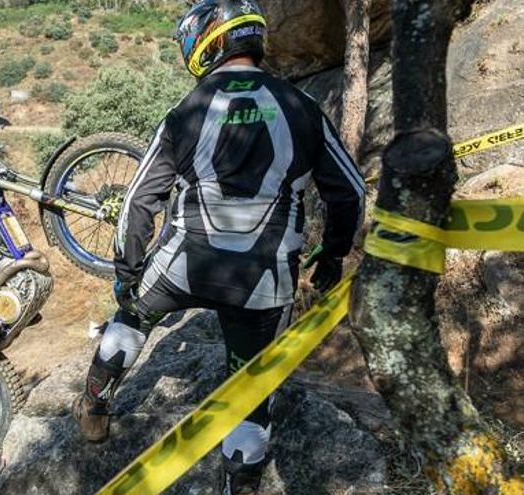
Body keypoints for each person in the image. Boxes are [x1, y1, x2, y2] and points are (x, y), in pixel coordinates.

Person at [70, 1, 365, 493]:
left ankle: (96, 406)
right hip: (264, 281)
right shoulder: (302, 107)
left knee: (132, 314)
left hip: (183, 265)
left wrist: (126, 272)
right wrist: (332, 256)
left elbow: (139, 202)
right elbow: (351, 191)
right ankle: (239, 485)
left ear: (207, 41)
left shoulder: (184, 110)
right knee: (249, 396)